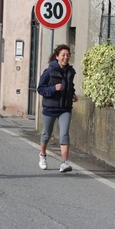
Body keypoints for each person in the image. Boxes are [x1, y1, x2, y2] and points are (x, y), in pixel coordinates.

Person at [37, 44, 78, 172]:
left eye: (67, 55)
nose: (66, 57)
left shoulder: (70, 71)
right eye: (63, 55)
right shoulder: (49, 71)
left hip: (65, 108)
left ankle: (64, 163)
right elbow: (40, 89)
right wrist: (54, 88)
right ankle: (42, 155)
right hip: (50, 108)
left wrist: (72, 94)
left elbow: (70, 85)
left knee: (64, 133)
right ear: (57, 57)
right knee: (46, 134)